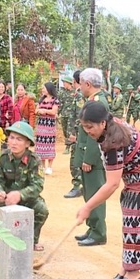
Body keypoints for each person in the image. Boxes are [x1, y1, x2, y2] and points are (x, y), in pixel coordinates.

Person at [76, 101, 140, 279]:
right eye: (84, 127)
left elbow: (111, 184)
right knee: (129, 221)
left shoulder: (113, 142)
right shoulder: (111, 126)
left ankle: (134, 272)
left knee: (136, 224)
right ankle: (126, 267)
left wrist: (87, 207)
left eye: (90, 127)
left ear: (102, 123)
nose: (87, 132)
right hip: (137, 178)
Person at [0, 121, 48, 251]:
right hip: (7, 199)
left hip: (27, 199)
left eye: (19, 139)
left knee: (41, 210)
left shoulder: (34, 160)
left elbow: (37, 185)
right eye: (12, 138)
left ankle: (32, 240)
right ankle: (2, 239)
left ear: (27, 143)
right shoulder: (1, 158)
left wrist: (20, 195)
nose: (14, 142)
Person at [74, 68, 108, 246]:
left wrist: (89, 159)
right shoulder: (91, 100)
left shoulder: (99, 102)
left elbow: (96, 136)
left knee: (96, 193)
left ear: (87, 84)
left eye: (80, 83)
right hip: (87, 155)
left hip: (93, 159)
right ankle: (92, 227)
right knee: (89, 193)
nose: (79, 86)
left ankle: (99, 232)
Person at [63, 70, 84, 199]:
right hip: (79, 133)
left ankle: (77, 186)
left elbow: (77, 116)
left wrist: (73, 133)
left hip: (79, 134)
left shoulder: (79, 96)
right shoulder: (78, 94)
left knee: (75, 161)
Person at [34, 82, 59, 175]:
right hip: (41, 126)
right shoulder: (41, 100)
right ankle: (43, 166)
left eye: (44, 88)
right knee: (41, 146)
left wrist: (44, 111)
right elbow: (36, 110)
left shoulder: (55, 100)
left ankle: (50, 167)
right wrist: (39, 111)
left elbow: (54, 112)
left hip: (49, 126)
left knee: (50, 145)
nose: (42, 90)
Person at [58, 76, 75, 154]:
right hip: (64, 114)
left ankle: (68, 146)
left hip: (71, 115)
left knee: (70, 131)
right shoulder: (62, 92)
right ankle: (68, 144)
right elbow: (60, 104)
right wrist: (57, 113)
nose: (64, 84)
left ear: (69, 83)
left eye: (65, 82)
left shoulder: (75, 92)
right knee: (65, 131)